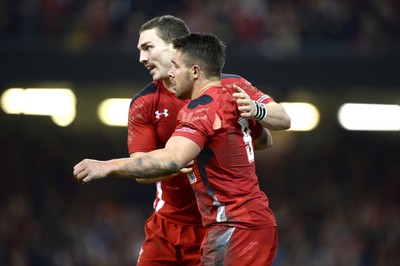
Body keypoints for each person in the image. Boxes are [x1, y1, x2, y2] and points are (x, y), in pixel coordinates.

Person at [74, 32, 279, 265]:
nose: (172, 73)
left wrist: (107, 166)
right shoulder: (231, 97)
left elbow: (172, 159)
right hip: (243, 223)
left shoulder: (201, 109)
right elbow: (264, 139)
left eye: (176, 66)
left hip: (235, 226)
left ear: (194, 71)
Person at [131, 15, 289, 265]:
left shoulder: (228, 88)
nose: (142, 58)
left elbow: (266, 137)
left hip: (217, 223)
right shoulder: (144, 104)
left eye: (148, 48)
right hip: (167, 225)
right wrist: (173, 163)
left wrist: (252, 117)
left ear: (175, 46)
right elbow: (140, 169)